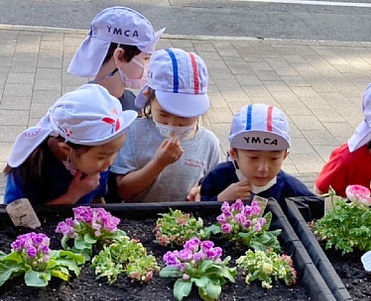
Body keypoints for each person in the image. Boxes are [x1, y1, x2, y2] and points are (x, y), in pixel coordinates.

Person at [67, 6, 164, 202]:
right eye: (145, 59)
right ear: (120, 56)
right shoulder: (82, 112)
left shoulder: (131, 103)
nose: (147, 67)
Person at [111, 48, 221, 202]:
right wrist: (158, 163)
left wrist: (200, 191)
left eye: (185, 116)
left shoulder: (209, 143)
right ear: (148, 97)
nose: (174, 124)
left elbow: (209, 185)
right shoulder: (131, 132)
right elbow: (122, 190)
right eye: (164, 114)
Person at [3, 84, 137, 205]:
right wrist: (72, 196)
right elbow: (14, 217)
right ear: (66, 149)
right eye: (102, 156)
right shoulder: (31, 167)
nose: (109, 163)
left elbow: (98, 199)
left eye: (116, 151)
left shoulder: (98, 162)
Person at [200, 103, 315, 205]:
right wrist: (220, 200)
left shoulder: (290, 188)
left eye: (274, 158)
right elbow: (198, 211)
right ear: (234, 153)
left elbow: (319, 206)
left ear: (285, 156)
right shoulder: (218, 177)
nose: (263, 168)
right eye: (253, 158)